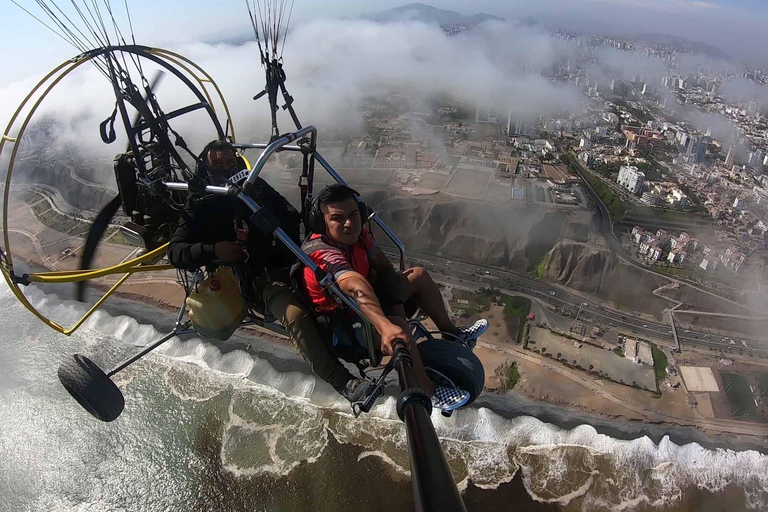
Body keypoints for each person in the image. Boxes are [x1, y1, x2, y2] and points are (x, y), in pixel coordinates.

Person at [167, 140, 372, 404]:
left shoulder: (255, 187)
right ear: (205, 169)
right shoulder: (200, 204)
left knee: (346, 278)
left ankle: (375, 334)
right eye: (217, 165)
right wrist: (215, 249)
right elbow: (176, 251)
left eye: (230, 162)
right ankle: (344, 382)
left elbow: (288, 212)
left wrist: (269, 225)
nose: (226, 169)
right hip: (259, 278)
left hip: (292, 258)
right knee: (295, 314)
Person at [300, 184, 488, 408]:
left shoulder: (358, 236)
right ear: (322, 223)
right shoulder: (323, 255)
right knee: (398, 326)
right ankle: (427, 389)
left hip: (369, 301)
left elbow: (384, 268)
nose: (349, 223)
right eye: (338, 218)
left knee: (418, 276)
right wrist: (386, 324)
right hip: (345, 325)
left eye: (353, 215)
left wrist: (395, 302)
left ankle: (452, 334)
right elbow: (355, 286)